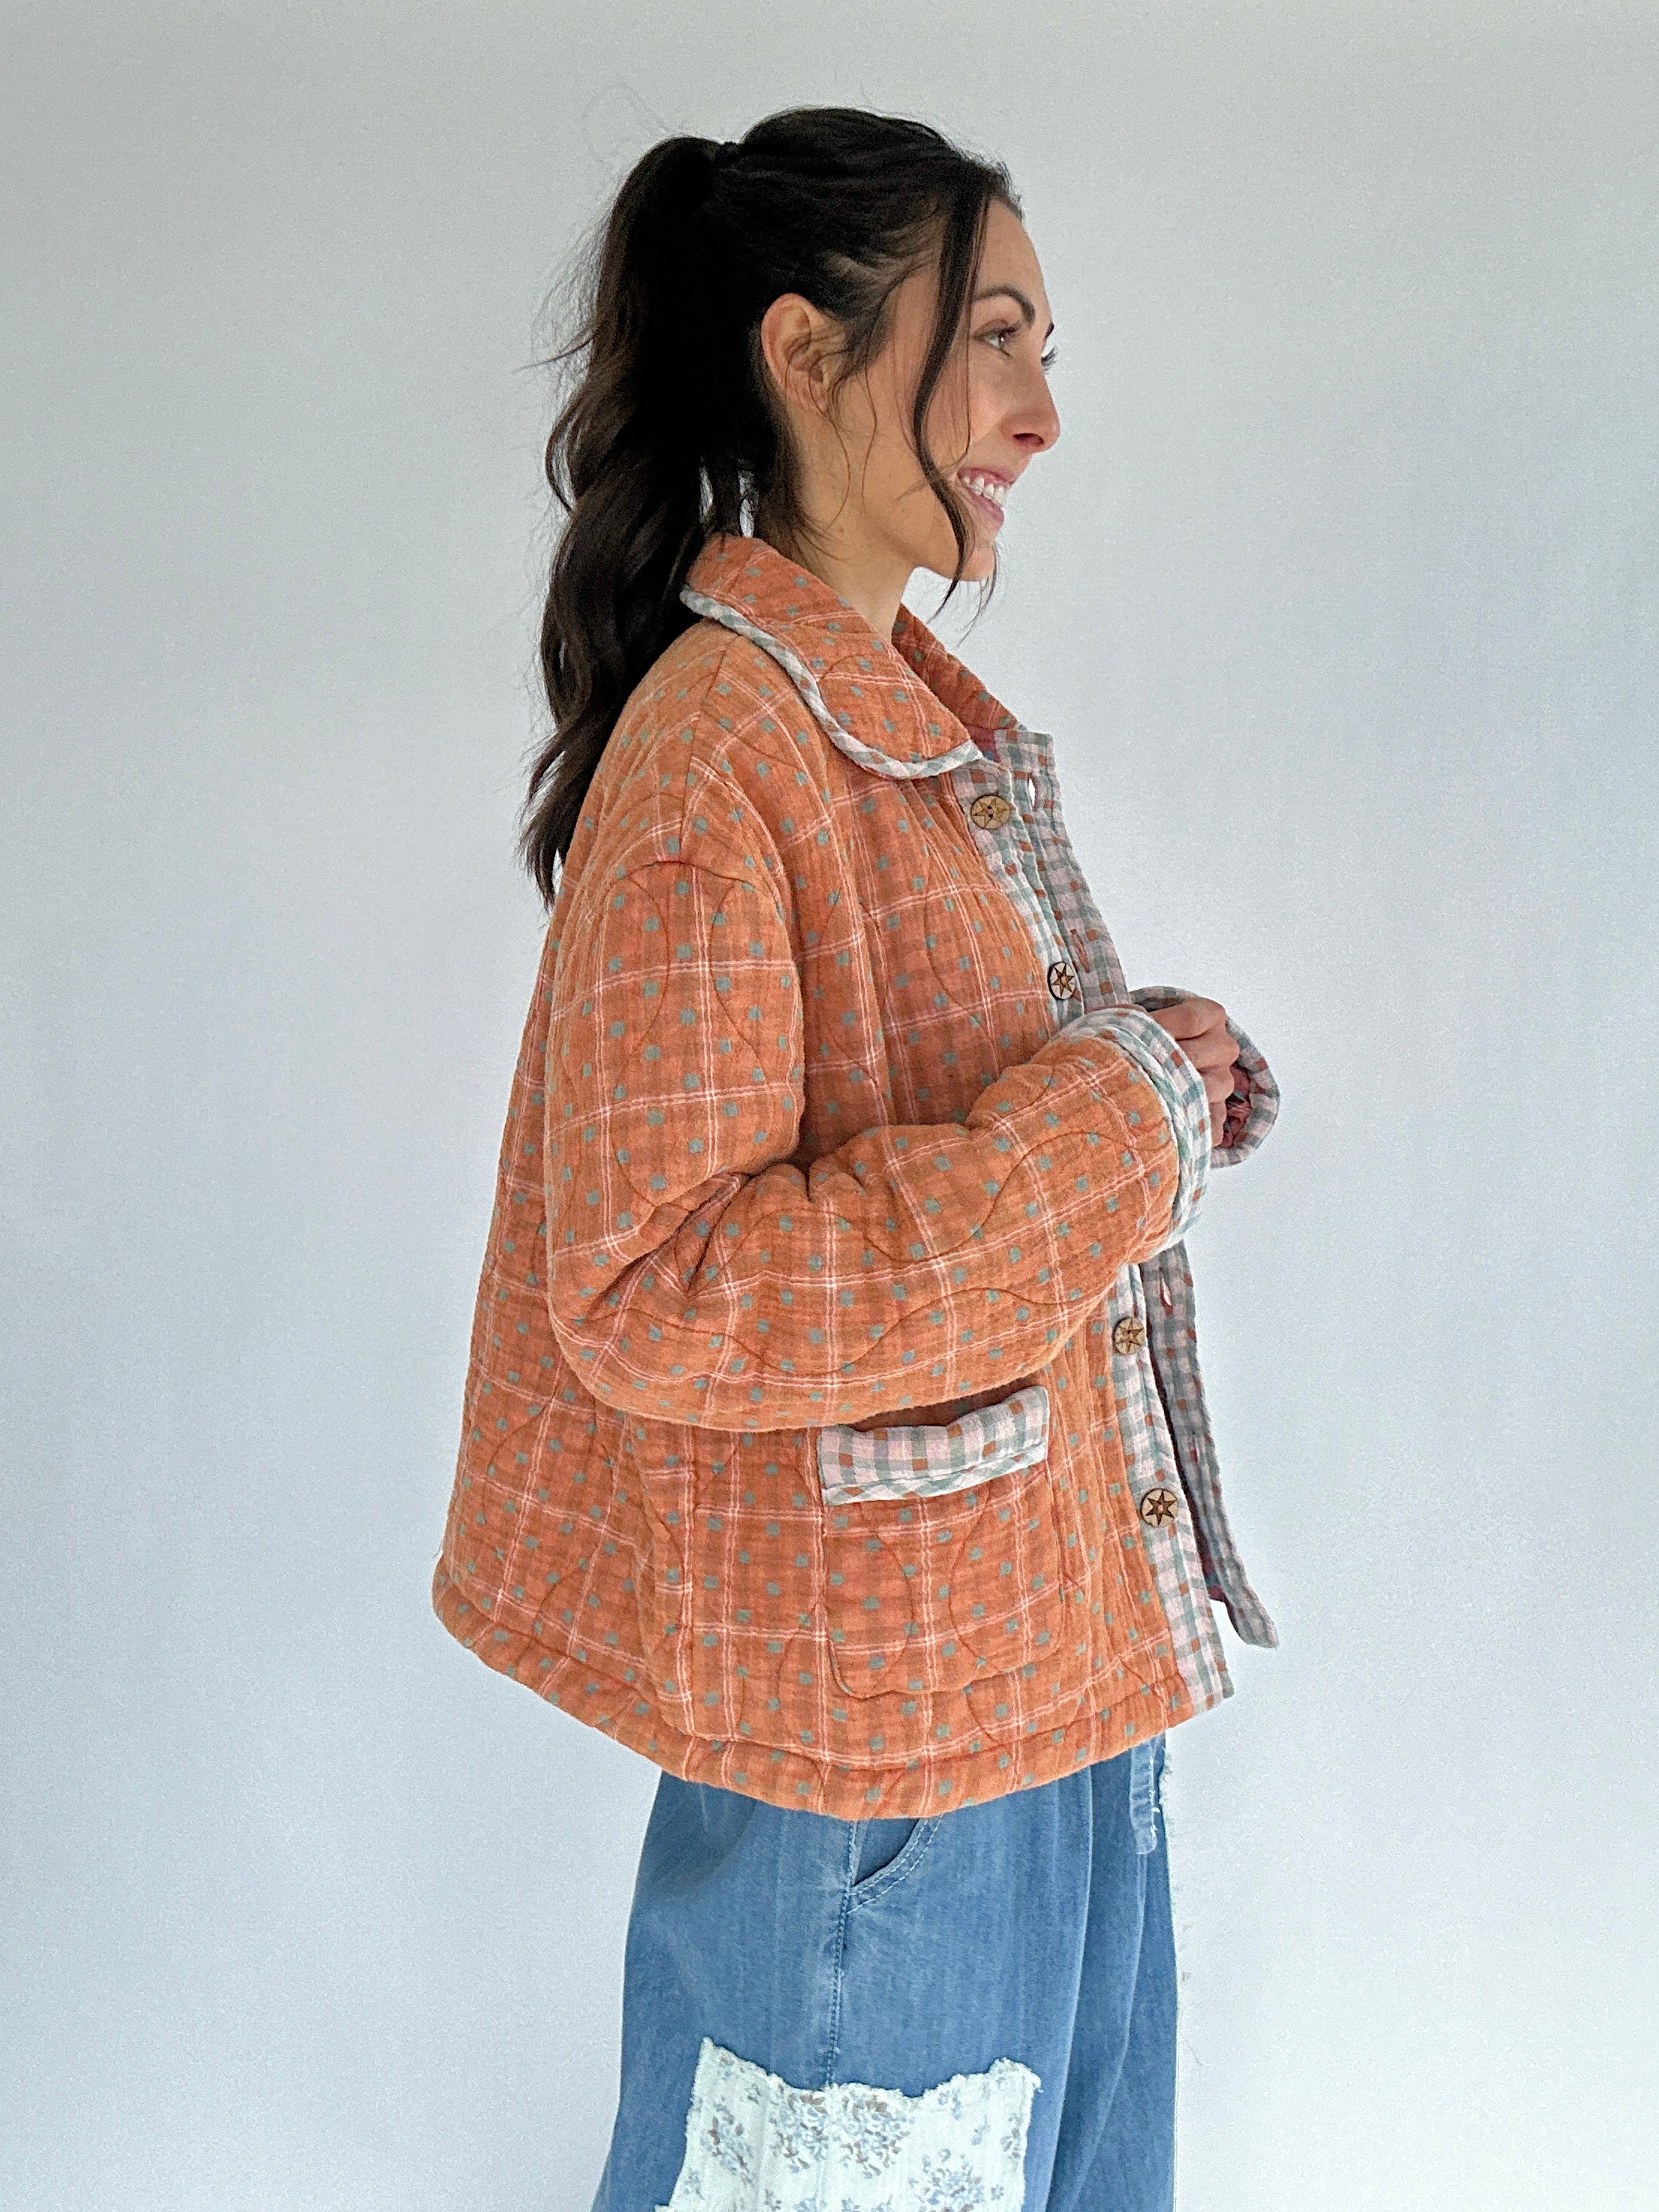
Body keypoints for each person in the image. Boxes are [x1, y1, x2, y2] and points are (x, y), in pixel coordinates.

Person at [431, 105, 1280, 2211]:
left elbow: (921, 1134)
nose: (1038, 415)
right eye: (992, 338)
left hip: (1025, 1695)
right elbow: (656, 1281)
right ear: (808, 356)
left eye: (1046, 350)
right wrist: (1111, 1128)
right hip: (883, 1759)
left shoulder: (877, 728)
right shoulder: (726, 749)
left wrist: (1145, 1088)